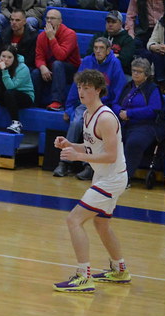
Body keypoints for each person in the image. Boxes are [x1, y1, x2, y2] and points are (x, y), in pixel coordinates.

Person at [53, 70, 131, 293]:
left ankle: (83, 275)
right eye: (79, 87)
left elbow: (111, 156)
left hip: (112, 177)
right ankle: (119, 269)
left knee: (74, 220)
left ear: (98, 90)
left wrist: (78, 157)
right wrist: (70, 145)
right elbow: (91, 148)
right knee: (101, 223)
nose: (81, 91)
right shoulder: (87, 114)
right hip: (104, 175)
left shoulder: (105, 118)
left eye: (86, 88)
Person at [53, 38, 126, 180]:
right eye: (95, 47)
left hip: (104, 105)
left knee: (94, 132)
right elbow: (76, 87)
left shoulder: (115, 64)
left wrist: (115, 109)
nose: (98, 51)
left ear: (108, 50)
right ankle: (64, 162)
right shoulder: (87, 61)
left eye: (101, 48)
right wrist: (69, 107)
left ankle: (89, 165)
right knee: (75, 123)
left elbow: (119, 89)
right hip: (85, 105)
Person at [117, 58, 165, 182]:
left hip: (146, 125)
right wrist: (120, 112)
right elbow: (115, 103)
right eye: (134, 71)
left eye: (139, 71)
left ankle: (125, 178)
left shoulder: (153, 88)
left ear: (146, 75)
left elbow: (154, 109)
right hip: (124, 122)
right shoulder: (128, 86)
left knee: (134, 142)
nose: (135, 74)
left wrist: (130, 113)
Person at [33, 8, 80, 111]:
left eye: (53, 18)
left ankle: (57, 101)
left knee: (57, 64)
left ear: (60, 21)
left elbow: (61, 56)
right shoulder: (41, 36)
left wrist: (51, 38)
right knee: (36, 72)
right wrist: (42, 67)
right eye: (47, 18)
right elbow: (39, 56)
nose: (49, 21)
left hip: (70, 70)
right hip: (51, 69)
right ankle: (34, 102)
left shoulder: (69, 34)